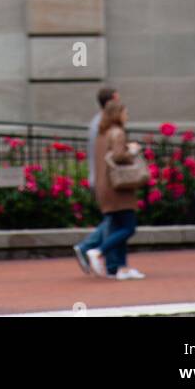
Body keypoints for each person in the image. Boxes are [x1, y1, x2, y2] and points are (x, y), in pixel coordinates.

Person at [86, 99, 145, 280]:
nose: (127, 116)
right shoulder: (117, 133)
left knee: (119, 227)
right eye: (125, 112)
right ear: (117, 114)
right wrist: (133, 150)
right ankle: (99, 252)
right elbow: (119, 156)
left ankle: (122, 268)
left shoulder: (101, 135)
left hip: (104, 187)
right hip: (119, 189)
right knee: (129, 227)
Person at [74, 85, 118, 275]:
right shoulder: (104, 123)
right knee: (117, 220)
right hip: (105, 179)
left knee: (114, 219)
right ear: (112, 100)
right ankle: (98, 254)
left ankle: (99, 255)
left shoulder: (97, 122)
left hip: (99, 178)